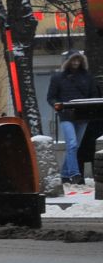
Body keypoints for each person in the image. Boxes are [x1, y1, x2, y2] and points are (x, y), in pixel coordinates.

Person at [47, 51, 96, 184]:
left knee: (75, 146)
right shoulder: (57, 78)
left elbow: (93, 95)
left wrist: (90, 109)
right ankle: (75, 174)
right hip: (66, 115)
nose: (75, 63)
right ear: (67, 61)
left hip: (83, 116)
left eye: (78, 60)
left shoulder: (88, 77)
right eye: (73, 60)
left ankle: (64, 174)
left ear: (81, 62)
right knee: (72, 144)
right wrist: (57, 106)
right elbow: (51, 97)